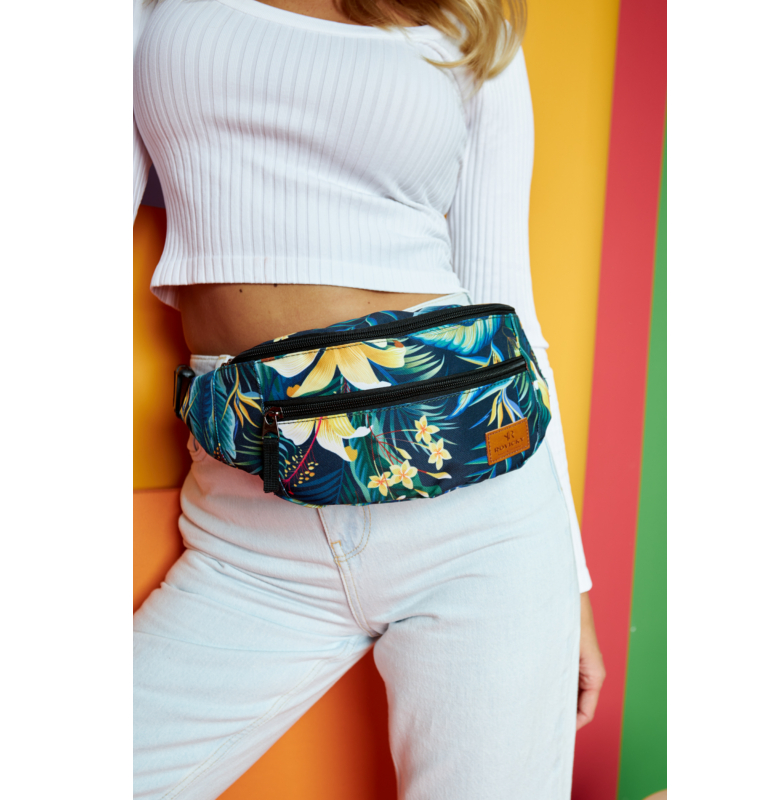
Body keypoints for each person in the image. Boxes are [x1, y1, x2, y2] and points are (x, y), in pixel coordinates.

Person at [133, 0, 605, 797]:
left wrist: (575, 584)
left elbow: (511, 312)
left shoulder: (468, 15)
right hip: (255, 534)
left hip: (482, 528)